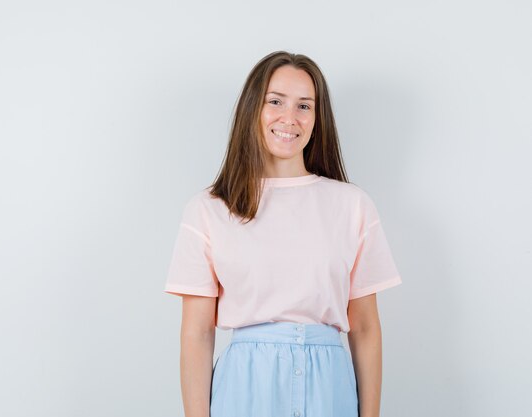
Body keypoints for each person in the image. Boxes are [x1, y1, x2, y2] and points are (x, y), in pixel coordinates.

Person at [163, 50, 402, 417]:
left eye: (304, 106)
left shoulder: (352, 205)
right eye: (275, 101)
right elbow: (197, 333)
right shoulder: (209, 209)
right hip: (244, 388)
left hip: (330, 389)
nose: (289, 118)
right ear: (252, 109)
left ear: (317, 118)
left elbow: (366, 327)